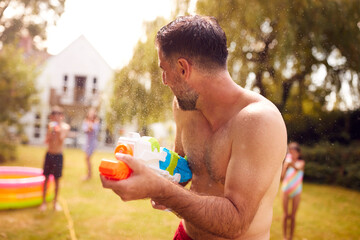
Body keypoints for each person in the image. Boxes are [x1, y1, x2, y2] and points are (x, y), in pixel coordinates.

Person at [100, 15, 287, 240]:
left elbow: (235, 222)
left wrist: (160, 190)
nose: (163, 80)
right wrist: (146, 166)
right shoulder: (184, 108)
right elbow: (182, 169)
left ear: (182, 68)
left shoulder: (259, 121)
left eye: (163, 68)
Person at [39, 106, 70, 211]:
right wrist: (51, 133)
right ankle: (43, 202)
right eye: (54, 116)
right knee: (46, 178)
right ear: (52, 117)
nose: (56, 118)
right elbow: (46, 141)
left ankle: (55, 203)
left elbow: (61, 139)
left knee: (57, 180)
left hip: (58, 156)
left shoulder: (65, 127)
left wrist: (58, 130)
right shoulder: (50, 126)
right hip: (49, 154)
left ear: (61, 117)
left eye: (58, 116)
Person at [281, 142, 305, 240]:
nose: (293, 154)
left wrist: (291, 164)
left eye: (295, 152)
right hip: (285, 190)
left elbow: (298, 168)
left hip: (297, 192)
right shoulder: (287, 163)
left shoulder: (301, 163)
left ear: (299, 153)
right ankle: (284, 237)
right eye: (291, 152)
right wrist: (285, 167)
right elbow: (282, 177)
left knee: (293, 216)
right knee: (286, 215)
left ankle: (291, 237)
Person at [82, 108, 100, 180]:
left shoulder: (96, 122)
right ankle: (89, 174)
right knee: (87, 159)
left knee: (88, 158)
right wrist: (89, 127)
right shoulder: (86, 121)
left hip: (92, 143)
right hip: (87, 142)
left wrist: (90, 126)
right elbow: (86, 130)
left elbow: (92, 129)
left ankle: (89, 175)